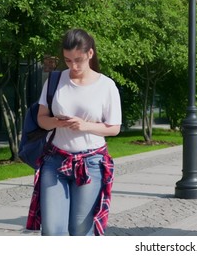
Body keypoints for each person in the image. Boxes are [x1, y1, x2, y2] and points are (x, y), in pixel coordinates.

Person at [26, 28, 122, 236]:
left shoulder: (106, 86)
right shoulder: (54, 81)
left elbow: (114, 128)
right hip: (55, 160)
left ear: (90, 53)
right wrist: (55, 122)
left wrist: (85, 126)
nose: (73, 66)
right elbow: (42, 120)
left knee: (80, 230)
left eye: (78, 60)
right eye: (68, 60)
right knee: (52, 230)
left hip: (91, 162)